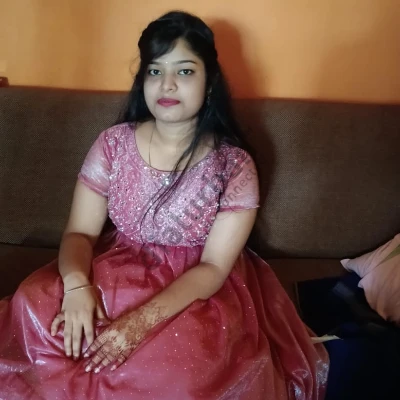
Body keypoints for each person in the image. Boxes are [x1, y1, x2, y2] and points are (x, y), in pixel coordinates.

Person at [0, 11, 328, 400]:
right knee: (34, 301)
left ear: (209, 82)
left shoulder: (233, 165)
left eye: (184, 71)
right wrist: (76, 286)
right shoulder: (113, 144)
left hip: (193, 289)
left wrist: (138, 324)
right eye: (155, 71)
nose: (167, 83)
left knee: (175, 371)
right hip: (112, 266)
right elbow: (80, 233)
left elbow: (213, 267)